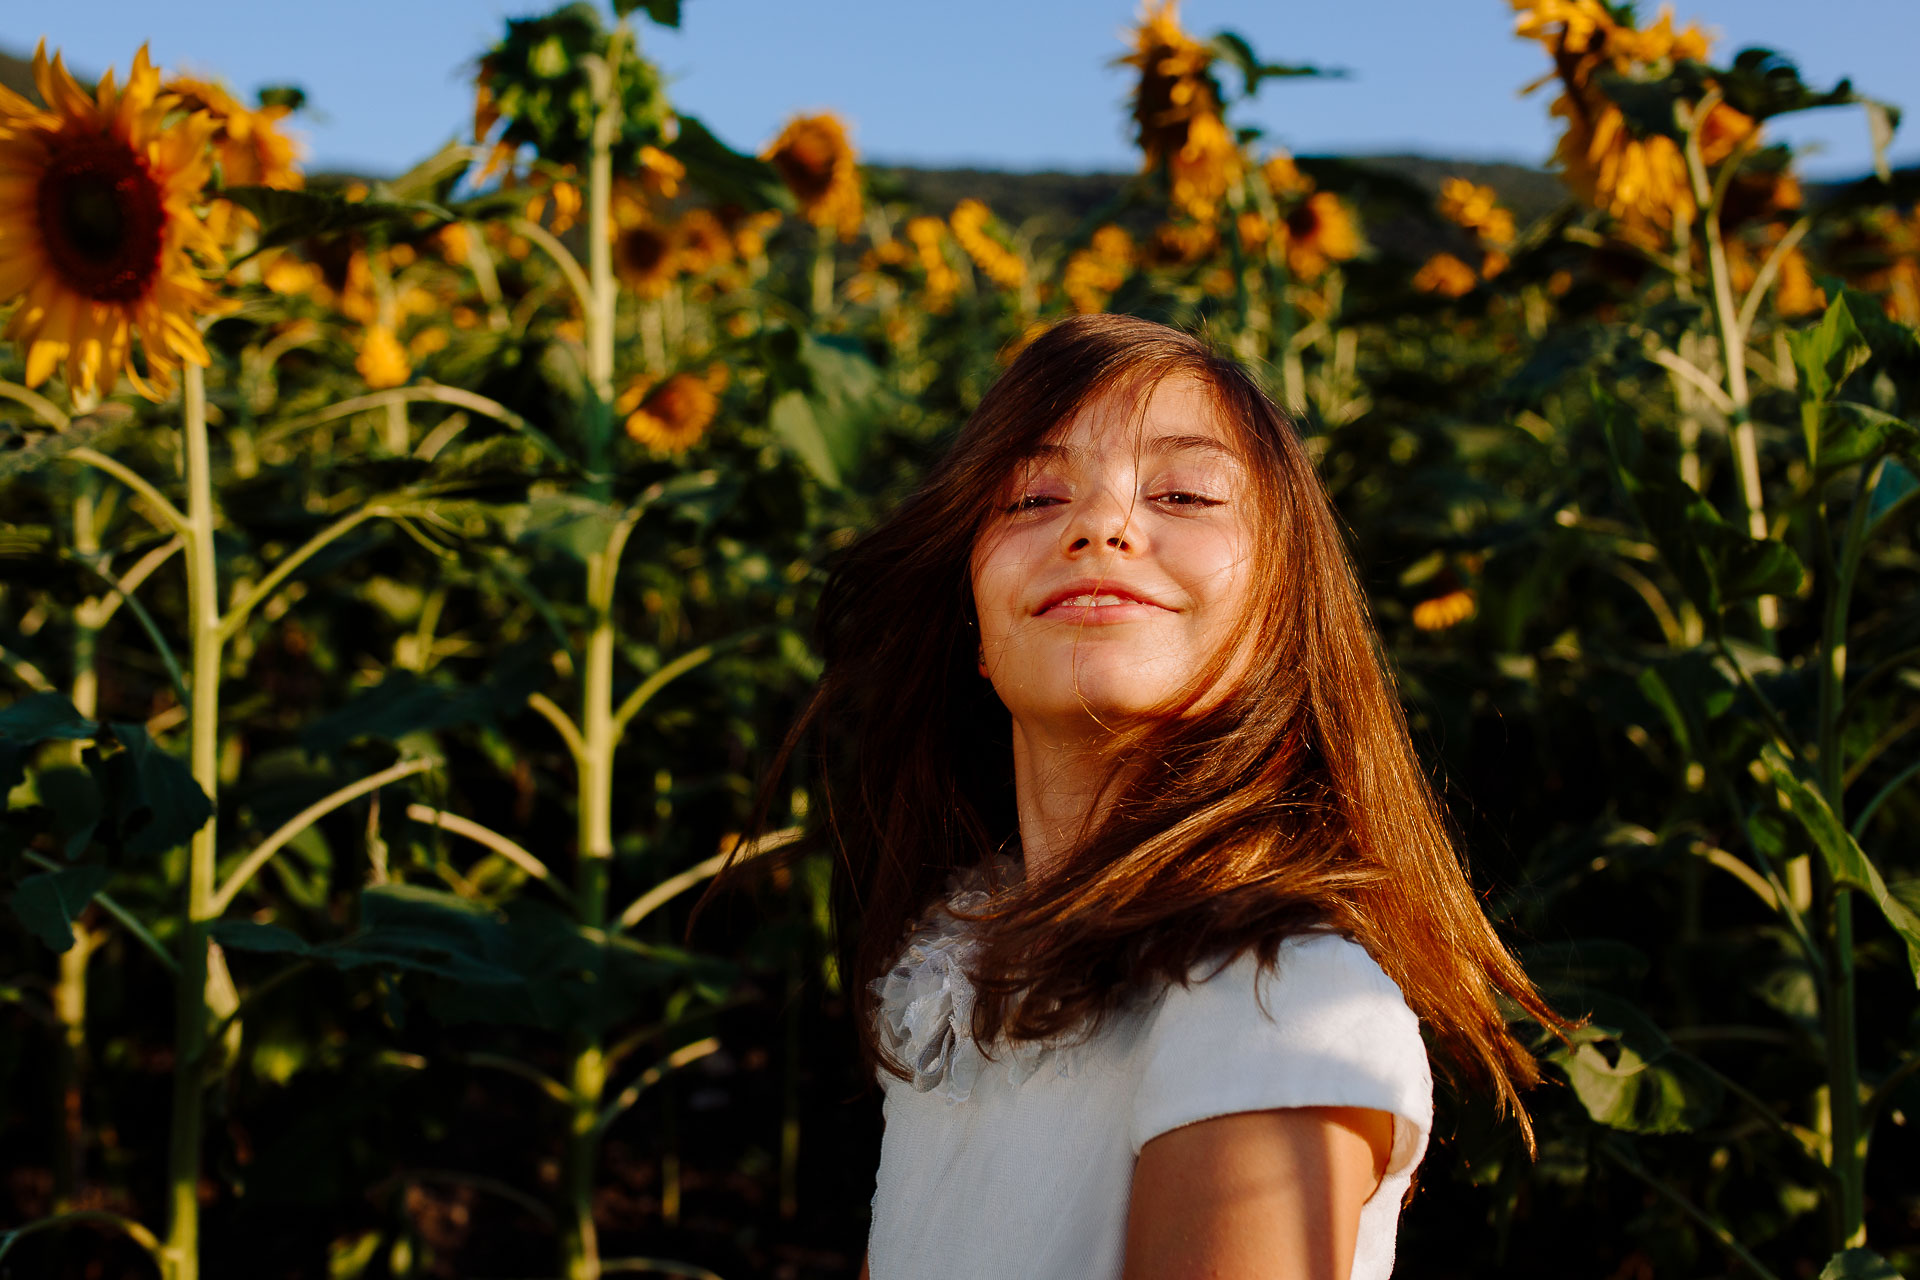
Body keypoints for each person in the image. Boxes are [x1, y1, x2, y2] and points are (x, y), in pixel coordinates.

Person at [773, 314, 1570, 1279]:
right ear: (975, 630)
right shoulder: (960, 973)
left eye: (1185, 493)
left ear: (1283, 612)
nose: (1098, 525)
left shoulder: (1272, 996)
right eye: (1032, 496)